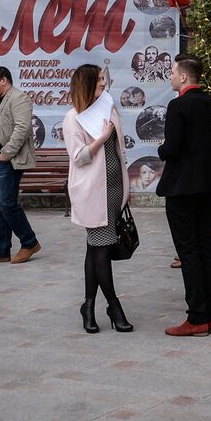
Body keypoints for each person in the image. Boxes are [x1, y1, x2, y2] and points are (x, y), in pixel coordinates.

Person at [157, 55, 211, 337]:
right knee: (205, 247)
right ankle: (210, 314)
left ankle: (197, 316)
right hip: (207, 185)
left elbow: (171, 150)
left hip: (182, 188)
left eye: (173, 73)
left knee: (188, 251)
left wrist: (163, 147)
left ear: (185, 77)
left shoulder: (178, 106)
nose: (171, 77)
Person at [61, 64, 133, 333]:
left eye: (104, 79)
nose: (104, 83)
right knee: (102, 247)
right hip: (92, 191)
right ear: (87, 84)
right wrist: (101, 137)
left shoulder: (108, 108)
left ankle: (88, 305)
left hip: (114, 188)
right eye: (99, 80)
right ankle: (114, 306)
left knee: (95, 248)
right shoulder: (73, 118)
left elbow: (120, 149)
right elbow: (79, 157)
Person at [0, 67, 42, 265]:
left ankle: (29, 242)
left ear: (4, 80)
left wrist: (6, 153)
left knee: (6, 204)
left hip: (6, 162)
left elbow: (22, 128)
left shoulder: (18, 98)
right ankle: (1, 250)